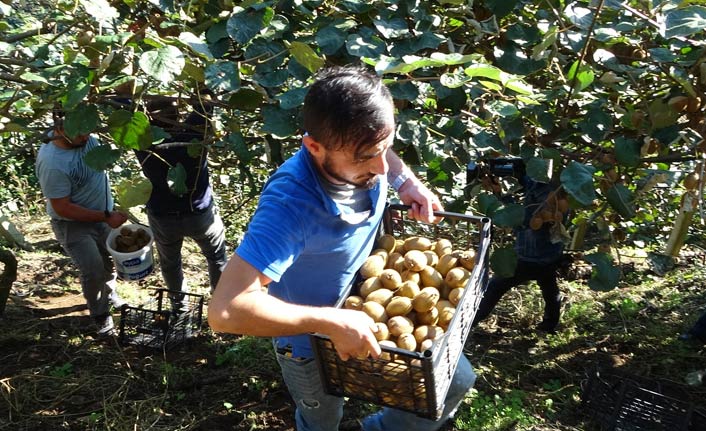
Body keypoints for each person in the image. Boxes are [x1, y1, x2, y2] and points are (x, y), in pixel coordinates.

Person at [208, 65, 476, 431]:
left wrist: (405, 181)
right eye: (366, 156)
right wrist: (329, 321)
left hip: (365, 302)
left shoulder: (367, 152)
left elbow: (381, 154)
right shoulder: (290, 206)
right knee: (322, 418)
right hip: (308, 345)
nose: (380, 167)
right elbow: (225, 311)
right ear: (315, 148)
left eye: (385, 147)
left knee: (456, 382)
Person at [35, 108, 129, 336]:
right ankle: (99, 315)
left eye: (88, 131)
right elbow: (62, 207)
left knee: (108, 262)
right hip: (72, 224)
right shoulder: (52, 162)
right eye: (80, 133)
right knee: (93, 269)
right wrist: (107, 216)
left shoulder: (87, 138)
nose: (86, 137)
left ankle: (109, 294)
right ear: (60, 129)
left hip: (103, 215)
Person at [135, 97, 227, 310]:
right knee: (216, 258)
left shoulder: (143, 142)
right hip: (199, 214)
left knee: (170, 263)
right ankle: (221, 303)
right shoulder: (194, 134)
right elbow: (205, 104)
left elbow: (123, 109)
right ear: (178, 117)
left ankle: (180, 307)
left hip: (163, 216)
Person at [472, 176, 565, 334]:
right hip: (550, 255)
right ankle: (549, 325)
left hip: (529, 257)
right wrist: (500, 192)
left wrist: (503, 197)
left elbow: (525, 221)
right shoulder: (558, 185)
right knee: (550, 288)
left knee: (494, 288)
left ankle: (469, 321)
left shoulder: (545, 188)